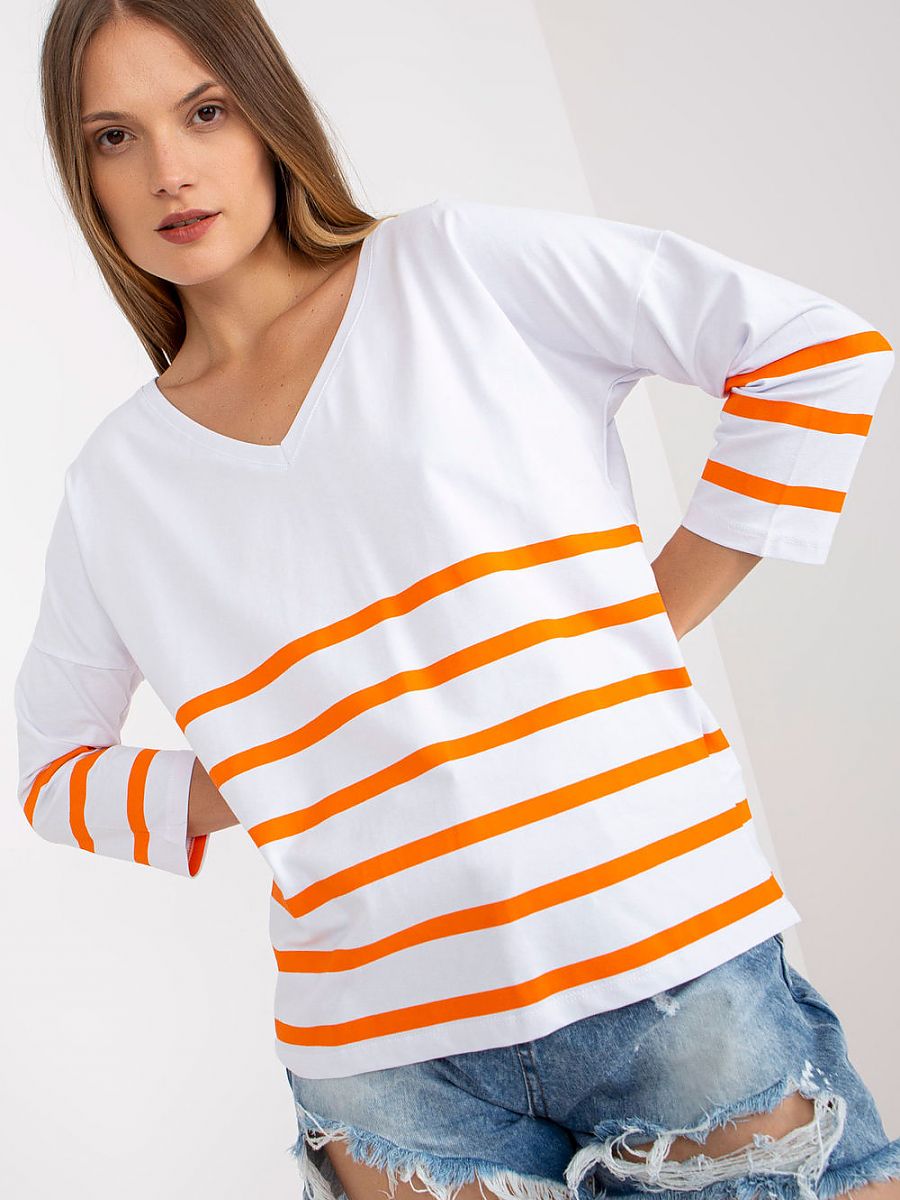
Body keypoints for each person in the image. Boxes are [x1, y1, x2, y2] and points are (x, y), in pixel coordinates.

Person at [17, 3, 899, 1200]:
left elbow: (814, 354)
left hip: (663, 959)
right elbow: (51, 770)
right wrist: (271, 773)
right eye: (113, 136)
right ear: (87, 178)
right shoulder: (117, 482)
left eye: (204, 111)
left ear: (266, 115)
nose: (169, 168)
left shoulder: (454, 266)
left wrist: (638, 621)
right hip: (387, 1069)